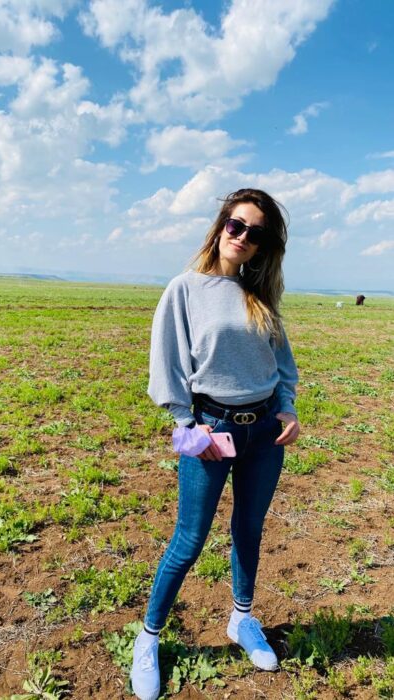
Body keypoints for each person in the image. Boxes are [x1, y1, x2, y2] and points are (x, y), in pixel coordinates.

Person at [131, 188, 300, 700]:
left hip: (264, 432)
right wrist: (188, 425)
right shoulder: (185, 288)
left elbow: (282, 363)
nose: (243, 236)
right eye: (236, 224)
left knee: (249, 529)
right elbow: (167, 366)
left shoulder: (259, 295)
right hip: (210, 429)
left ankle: (242, 620)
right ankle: (148, 638)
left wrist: (288, 407)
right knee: (189, 540)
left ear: (263, 245)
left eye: (256, 233)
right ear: (221, 225)